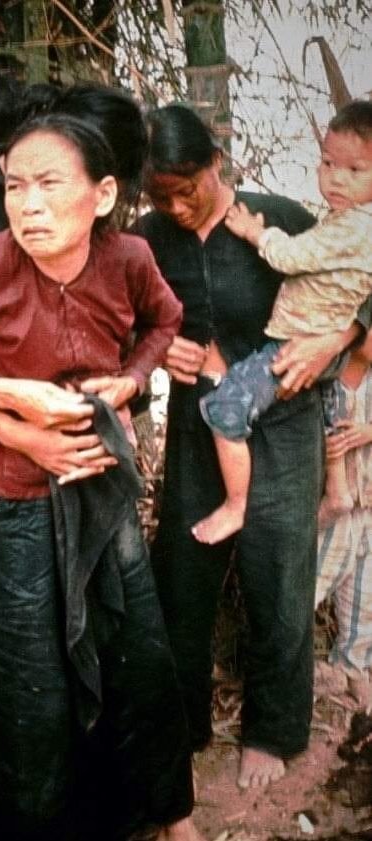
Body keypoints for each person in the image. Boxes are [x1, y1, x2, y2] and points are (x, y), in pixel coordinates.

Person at [0, 113, 199, 841]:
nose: (28, 205)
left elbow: (164, 321)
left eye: (50, 184)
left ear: (104, 193)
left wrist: (130, 379)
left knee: (136, 651)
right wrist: (5, 395)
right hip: (6, 496)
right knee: (23, 673)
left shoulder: (128, 259)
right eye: (15, 186)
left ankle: (166, 815)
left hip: (96, 480)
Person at [133, 102, 368, 791]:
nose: (177, 205)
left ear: (216, 163)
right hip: (195, 425)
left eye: (189, 186)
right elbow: (125, 324)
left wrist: (343, 336)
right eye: (161, 194)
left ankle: (273, 729)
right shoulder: (146, 238)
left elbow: (359, 290)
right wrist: (157, 349)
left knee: (278, 576)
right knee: (183, 573)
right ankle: (185, 723)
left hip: (286, 424)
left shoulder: (282, 220)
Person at [194, 100, 372, 545]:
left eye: (355, 170)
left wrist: (255, 232)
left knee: (225, 407)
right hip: (325, 342)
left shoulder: (354, 228)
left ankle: (237, 503)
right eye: (328, 163)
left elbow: (291, 258)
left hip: (296, 344)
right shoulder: (350, 221)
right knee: (329, 412)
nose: (336, 178)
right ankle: (337, 488)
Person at [316, 326, 372, 711]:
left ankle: (353, 669)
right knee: (310, 584)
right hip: (333, 507)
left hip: (368, 504)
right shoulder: (327, 378)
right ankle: (289, 674)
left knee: (364, 595)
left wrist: (368, 431)